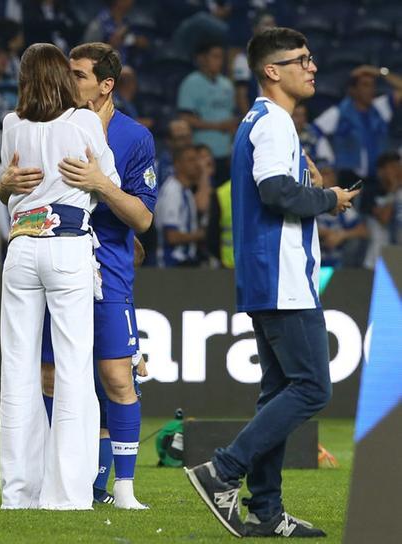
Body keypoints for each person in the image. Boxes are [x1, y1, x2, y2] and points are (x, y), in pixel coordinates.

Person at [185, 28, 359, 538]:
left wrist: (312, 187)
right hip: (283, 277)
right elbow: (276, 192)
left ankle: (266, 510)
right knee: (312, 388)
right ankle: (223, 469)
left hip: (267, 275)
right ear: (271, 71)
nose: (312, 67)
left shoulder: (258, 122)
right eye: (301, 59)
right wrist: (328, 198)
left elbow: (281, 188)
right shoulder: (275, 121)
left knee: (279, 390)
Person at [0, 42, 157, 509]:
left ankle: (121, 486)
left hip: (101, 261)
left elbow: (143, 219)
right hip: (70, 252)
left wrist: (102, 186)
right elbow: (12, 183)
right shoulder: (75, 121)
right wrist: (5, 186)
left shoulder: (134, 136)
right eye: (67, 73)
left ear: (106, 84)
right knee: (55, 374)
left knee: (113, 375)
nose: (72, 81)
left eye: (81, 75)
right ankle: (71, 487)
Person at [312, 65, 402, 182]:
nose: (371, 90)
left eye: (372, 85)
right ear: (353, 90)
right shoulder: (339, 112)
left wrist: (380, 72)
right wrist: (328, 160)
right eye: (365, 85)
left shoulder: (380, 107)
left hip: (379, 177)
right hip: (349, 177)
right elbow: (313, 132)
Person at [177, 41, 237, 187]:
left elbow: (231, 117)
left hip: (226, 153)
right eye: (214, 56)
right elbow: (185, 118)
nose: (219, 61)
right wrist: (217, 126)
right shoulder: (191, 83)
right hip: (202, 152)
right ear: (202, 59)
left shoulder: (227, 84)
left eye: (221, 57)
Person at [155, 145, 205, 267]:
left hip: (186, 262)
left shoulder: (186, 191)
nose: (196, 164)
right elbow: (171, 236)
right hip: (172, 262)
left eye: (197, 159)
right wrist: (200, 235)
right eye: (191, 160)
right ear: (177, 164)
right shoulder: (173, 191)